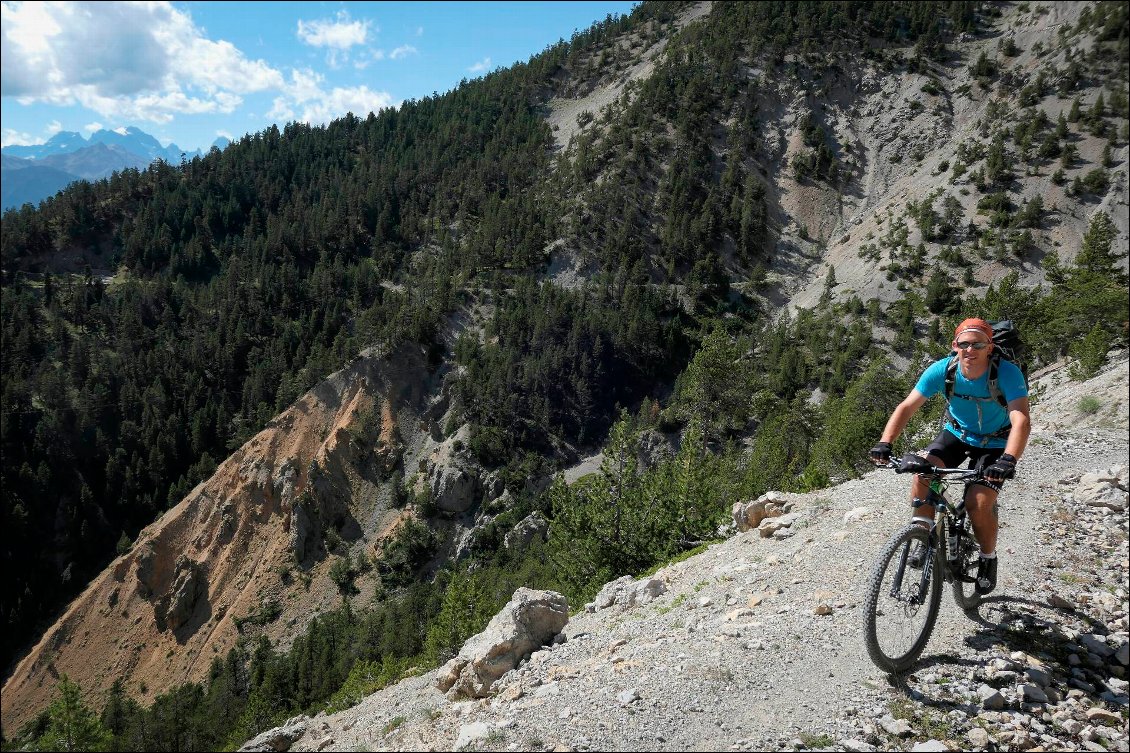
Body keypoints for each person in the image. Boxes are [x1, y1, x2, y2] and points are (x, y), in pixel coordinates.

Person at [869, 318, 1031, 595]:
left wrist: (1008, 460)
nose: (970, 350)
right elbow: (907, 406)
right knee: (924, 473)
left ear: (989, 347)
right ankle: (923, 533)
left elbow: (1021, 420)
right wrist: (885, 443)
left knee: (977, 502)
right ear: (955, 346)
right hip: (956, 434)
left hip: (996, 442)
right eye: (964, 344)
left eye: (978, 344)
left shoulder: (1007, 373)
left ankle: (988, 557)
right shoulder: (943, 370)